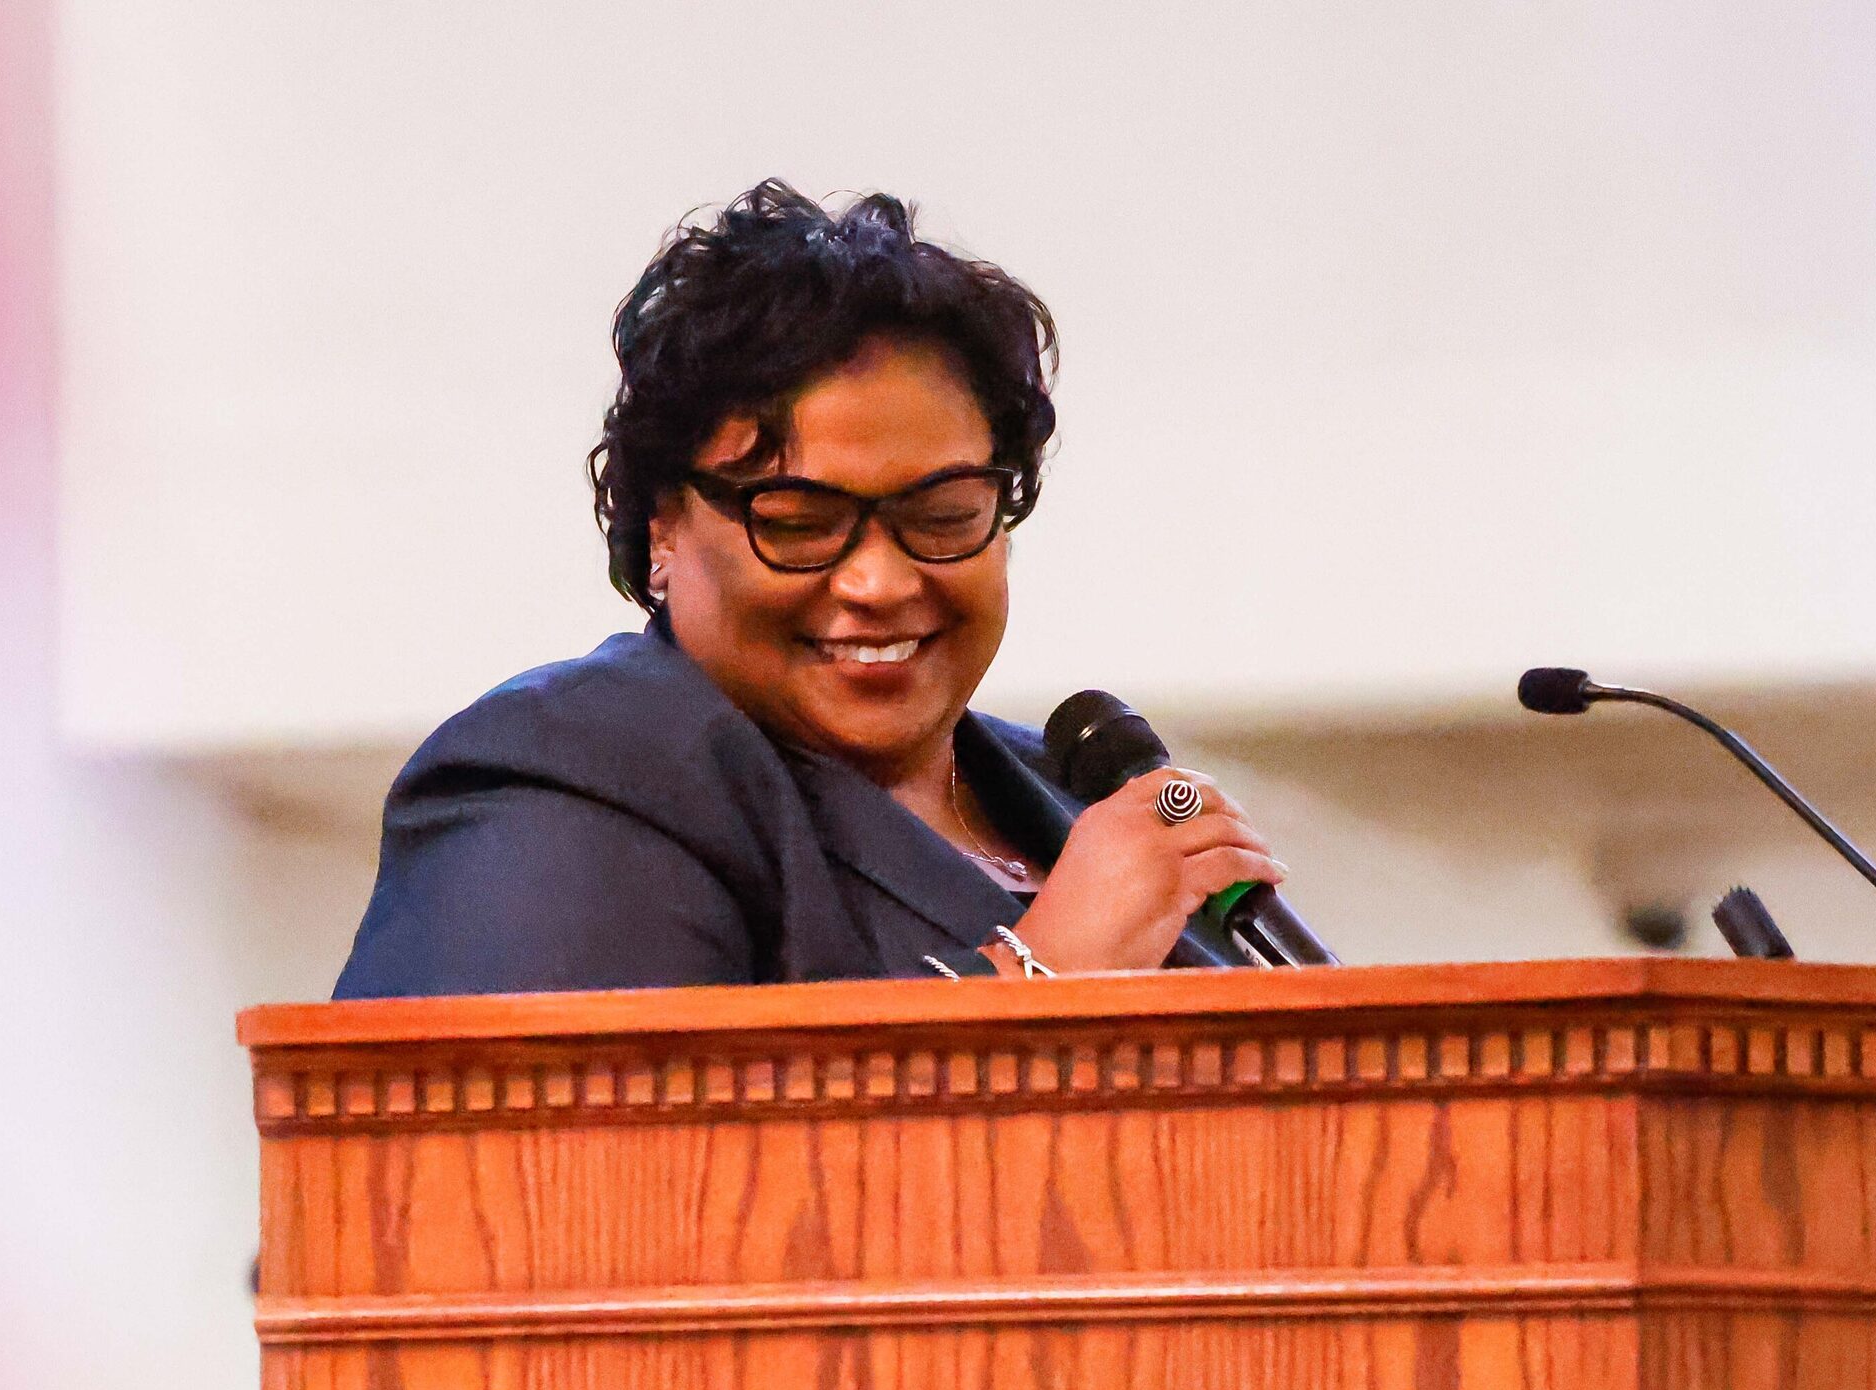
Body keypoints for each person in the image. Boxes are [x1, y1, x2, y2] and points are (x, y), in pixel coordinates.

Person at [334, 181, 1287, 999]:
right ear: (661, 525)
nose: (878, 580)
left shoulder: (1058, 790)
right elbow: (570, 1195)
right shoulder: (565, 780)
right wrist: (1038, 975)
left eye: (944, 512)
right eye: (796, 521)